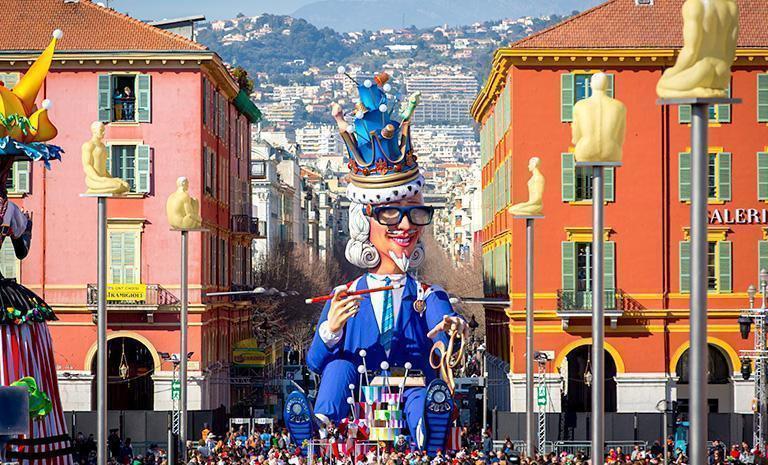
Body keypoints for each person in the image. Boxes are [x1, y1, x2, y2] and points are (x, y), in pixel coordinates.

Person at [287, 71, 467, 455]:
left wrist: (451, 327)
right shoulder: (346, 295)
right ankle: (317, 426)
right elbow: (317, 363)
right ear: (364, 222)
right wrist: (331, 330)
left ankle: (425, 429)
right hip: (358, 389)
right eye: (390, 215)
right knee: (337, 370)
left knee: (423, 399)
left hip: (413, 383)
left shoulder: (428, 293)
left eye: (415, 214)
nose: (405, 226)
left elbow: (441, 328)